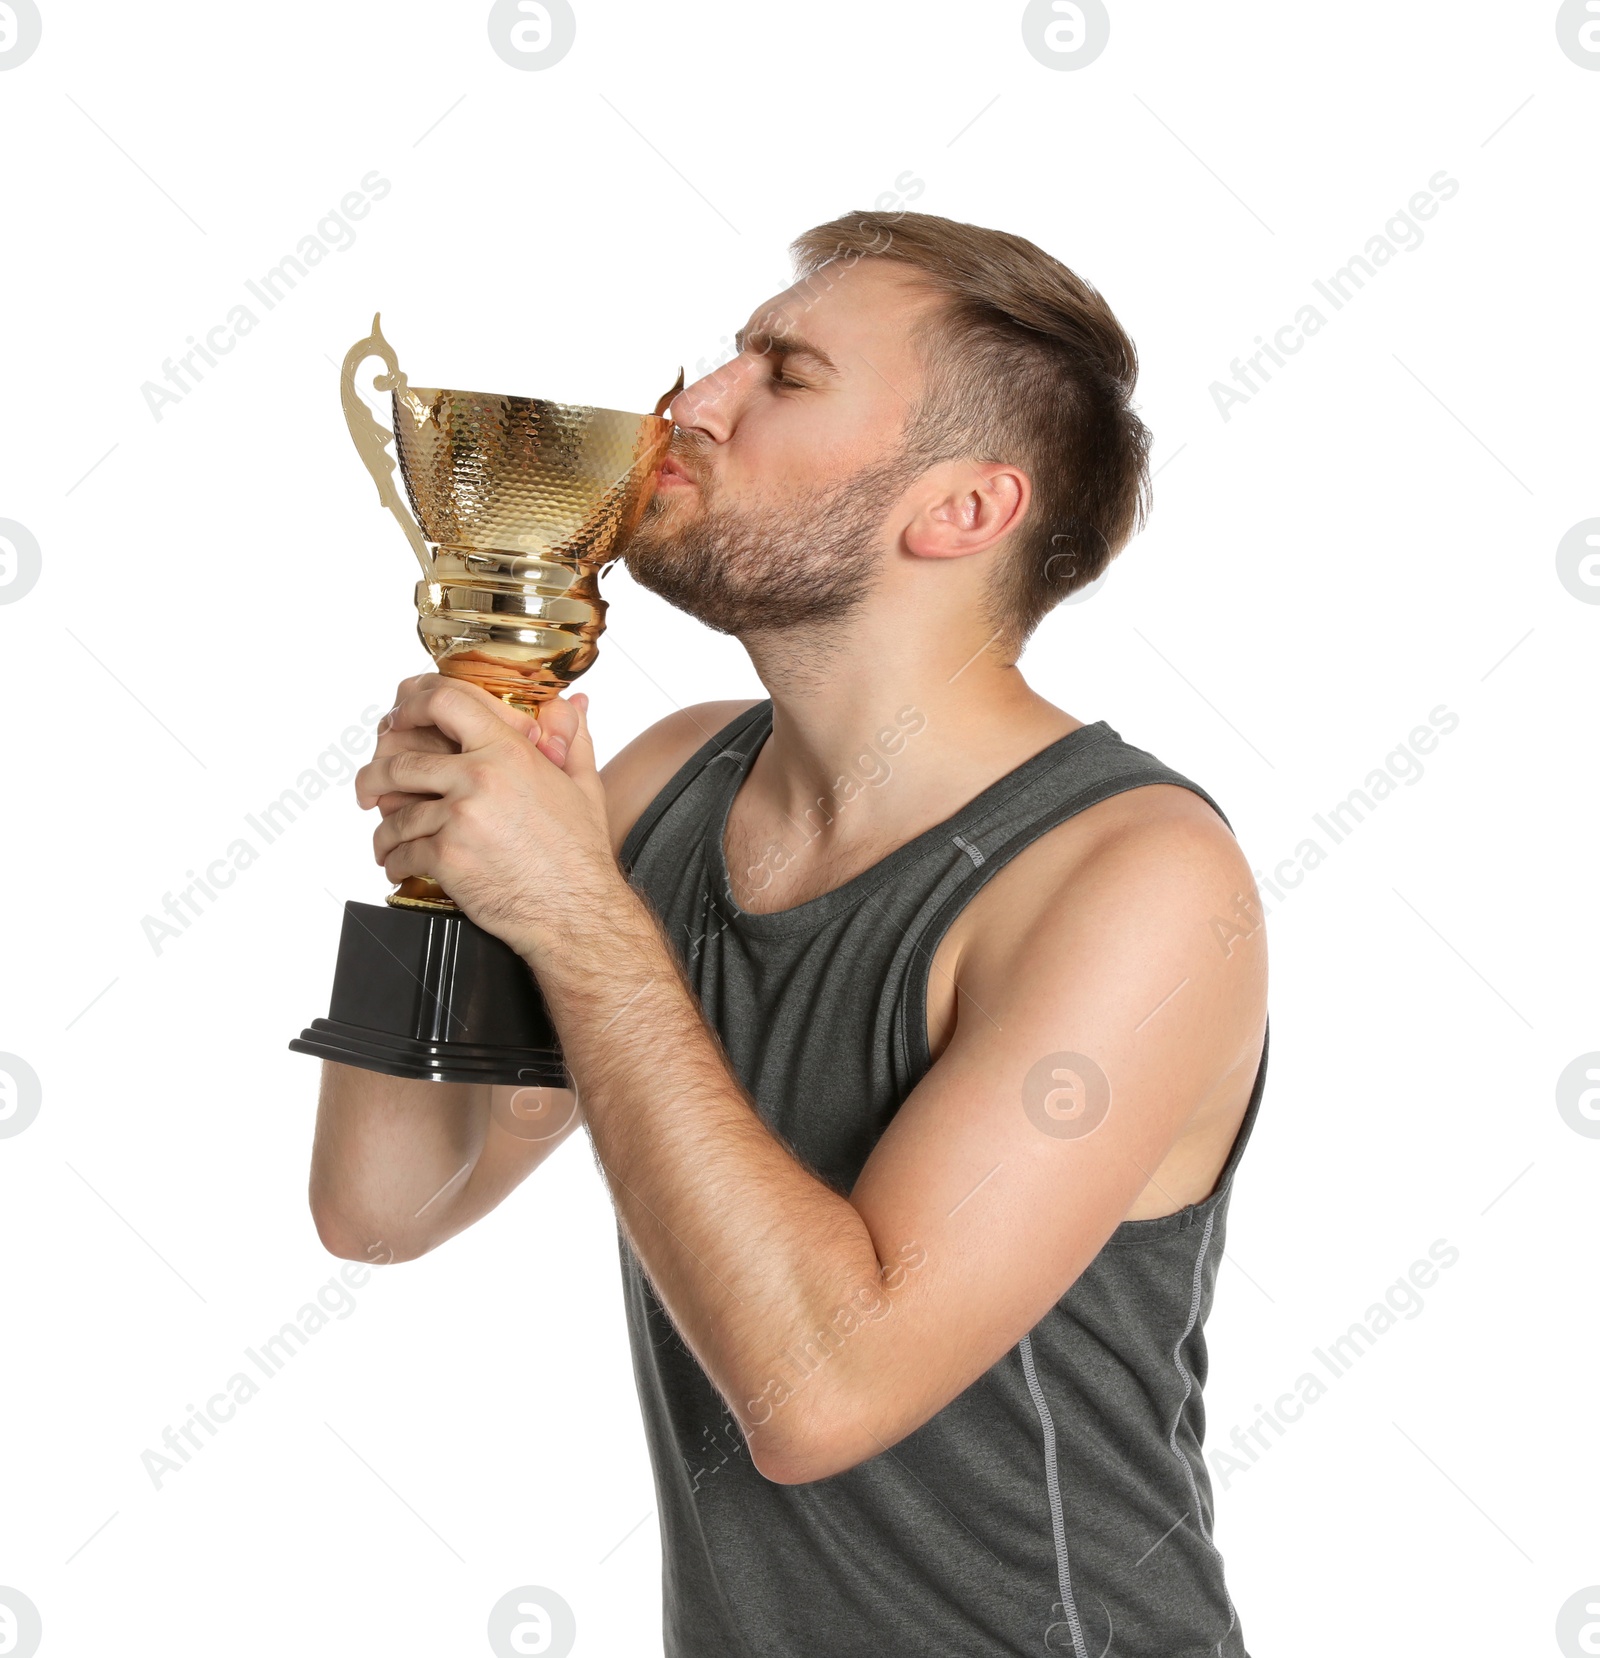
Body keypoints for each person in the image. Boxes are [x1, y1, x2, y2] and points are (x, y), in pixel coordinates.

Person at [308, 209, 1270, 1657]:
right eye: (723, 358)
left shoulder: (1135, 879)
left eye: (785, 372)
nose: (692, 404)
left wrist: (573, 911)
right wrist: (452, 854)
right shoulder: (670, 786)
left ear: (960, 511)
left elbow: (820, 1393)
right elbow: (382, 1203)